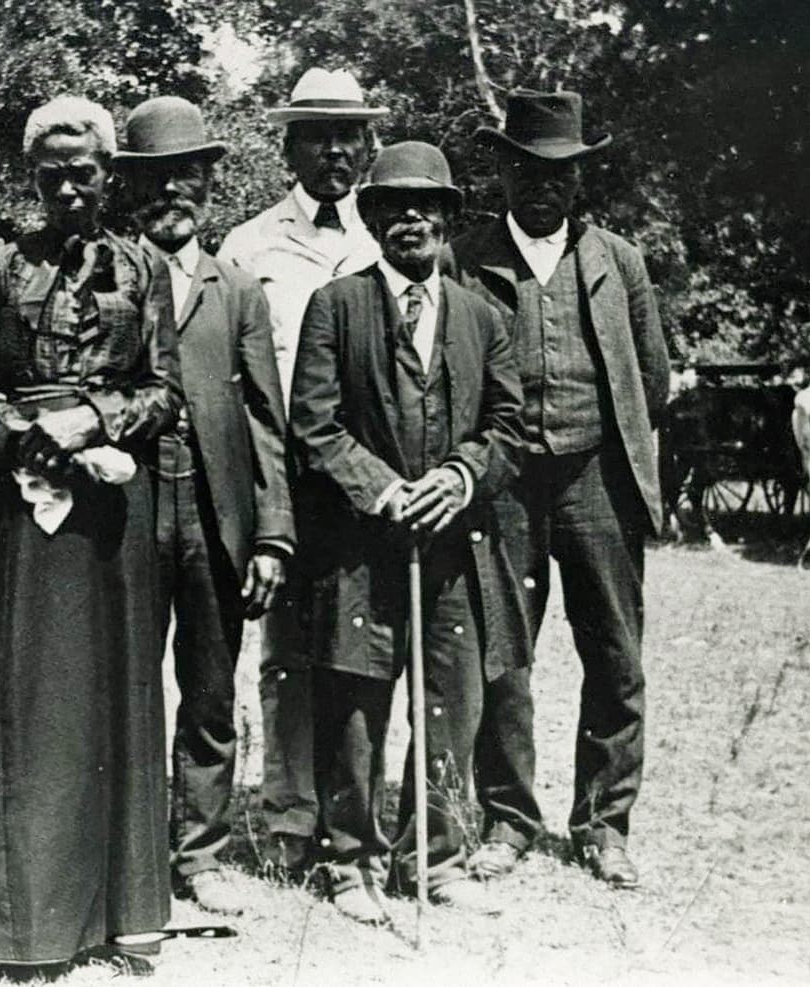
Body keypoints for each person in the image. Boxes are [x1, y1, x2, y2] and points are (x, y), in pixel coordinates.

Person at [0, 96, 183, 975]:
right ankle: (1, 916)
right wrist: (32, 436)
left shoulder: (143, 268)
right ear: (33, 177)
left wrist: (94, 419)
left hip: (107, 519)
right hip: (12, 516)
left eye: (84, 171)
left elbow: (166, 391)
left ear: (108, 176)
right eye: (52, 172)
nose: (68, 186)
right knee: (14, 699)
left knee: (103, 697)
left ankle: (109, 915)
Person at [289, 141, 529, 923]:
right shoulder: (338, 305)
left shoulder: (482, 316)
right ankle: (346, 859)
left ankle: (435, 856)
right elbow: (315, 427)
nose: (411, 219)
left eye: (427, 206)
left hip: (454, 546)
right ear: (372, 217)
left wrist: (459, 477)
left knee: (449, 702)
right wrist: (385, 490)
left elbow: (508, 425)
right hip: (362, 546)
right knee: (356, 699)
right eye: (393, 206)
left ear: (450, 220)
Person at [450, 91, 670, 889]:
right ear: (503, 170)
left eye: (562, 172)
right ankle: (507, 818)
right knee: (502, 656)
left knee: (615, 654)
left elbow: (653, 377)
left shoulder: (620, 261)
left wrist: (610, 449)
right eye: (528, 168)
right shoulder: (464, 258)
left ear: (579, 180)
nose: (544, 185)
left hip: (597, 480)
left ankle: (604, 825)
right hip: (503, 486)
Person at [114, 96, 295, 915]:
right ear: (133, 190)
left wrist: (272, 536)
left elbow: (266, 419)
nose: (171, 195)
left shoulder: (241, 289)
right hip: (128, 510)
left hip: (217, 512)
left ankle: (202, 850)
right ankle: (127, 845)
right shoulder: (108, 277)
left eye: (186, 178)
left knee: (211, 690)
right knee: (126, 681)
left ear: (208, 185)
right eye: (155, 181)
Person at [216, 66, 386, 875]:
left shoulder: (389, 238)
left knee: (360, 654)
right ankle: (288, 821)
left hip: (366, 484)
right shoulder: (248, 247)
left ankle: (358, 815)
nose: (335, 151)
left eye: (349, 134)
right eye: (317, 134)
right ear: (288, 143)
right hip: (283, 479)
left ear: (368, 144)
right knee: (286, 652)